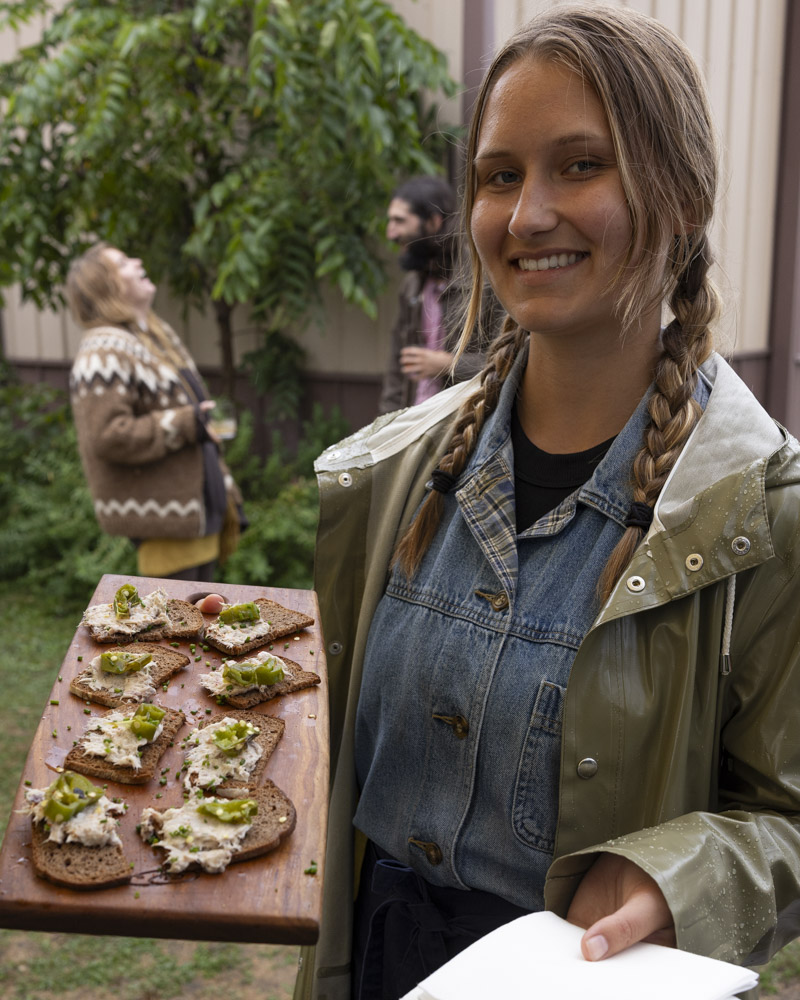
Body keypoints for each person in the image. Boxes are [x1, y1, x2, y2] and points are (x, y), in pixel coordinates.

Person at [299, 5, 800, 1000]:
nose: (526, 215)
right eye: (498, 175)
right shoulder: (381, 481)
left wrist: (678, 873)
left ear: (684, 195)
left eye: (579, 164)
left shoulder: (762, 514)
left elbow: (784, 814)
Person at [67, 243, 243, 581]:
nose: (138, 260)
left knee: (196, 626)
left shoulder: (154, 338)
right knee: (173, 629)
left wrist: (227, 489)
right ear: (107, 286)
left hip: (197, 521)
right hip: (167, 528)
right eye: (122, 262)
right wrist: (186, 423)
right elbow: (108, 435)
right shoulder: (103, 348)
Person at [380, 176, 489, 413]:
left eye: (399, 221)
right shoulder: (412, 285)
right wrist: (384, 428)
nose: (391, 233)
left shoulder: (483, 280)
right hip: (415, 426)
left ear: (433, 222)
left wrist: (450, 365)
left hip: (465, 427)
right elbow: (397, 370)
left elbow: (515, 360)